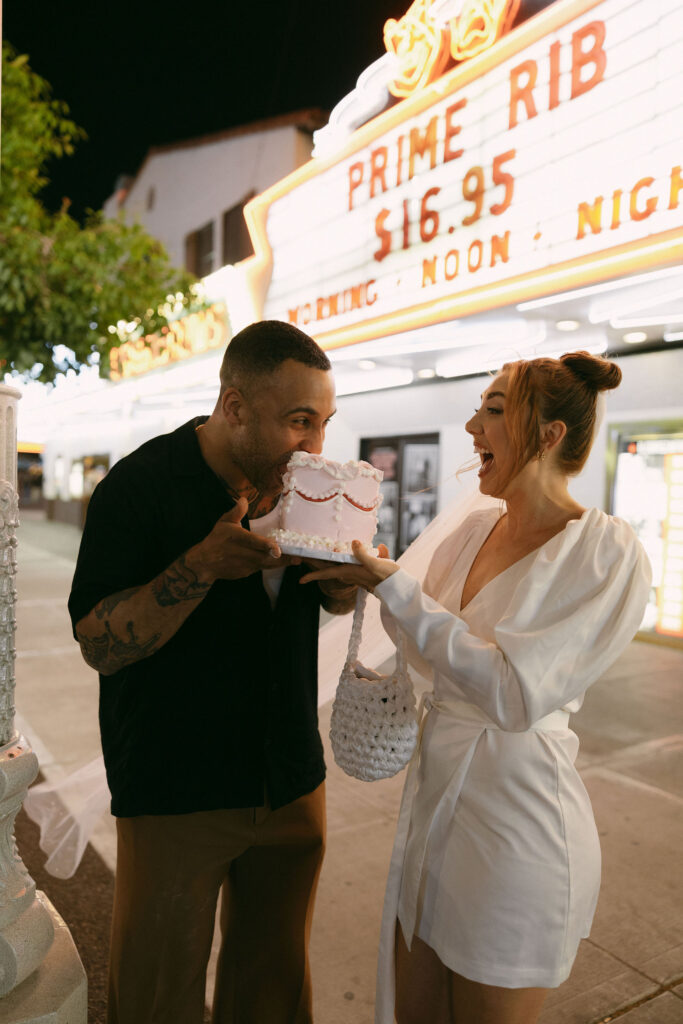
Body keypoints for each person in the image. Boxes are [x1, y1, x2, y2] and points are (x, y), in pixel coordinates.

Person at [301, 351, 652, 1024]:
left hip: (517, 832)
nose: (469, 426)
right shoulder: (469, 530)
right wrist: (357, 578)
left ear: (549, 435)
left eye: (492, 410)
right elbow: (425, 649)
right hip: (435, 814)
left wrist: (394, 587)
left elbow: (512, 693)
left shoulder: (603, 552)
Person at [68, 320, 358, 1024]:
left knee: (272, 990)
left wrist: (344, 583)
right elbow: (99, 644)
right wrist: (198, 566)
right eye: (298, 422)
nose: (316, 446)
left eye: (323, 422)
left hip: (290, 780)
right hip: (177, 789)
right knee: (158, 993)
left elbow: (311, 609)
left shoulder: (308, 490)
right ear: (233, 407)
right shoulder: (137, 489)